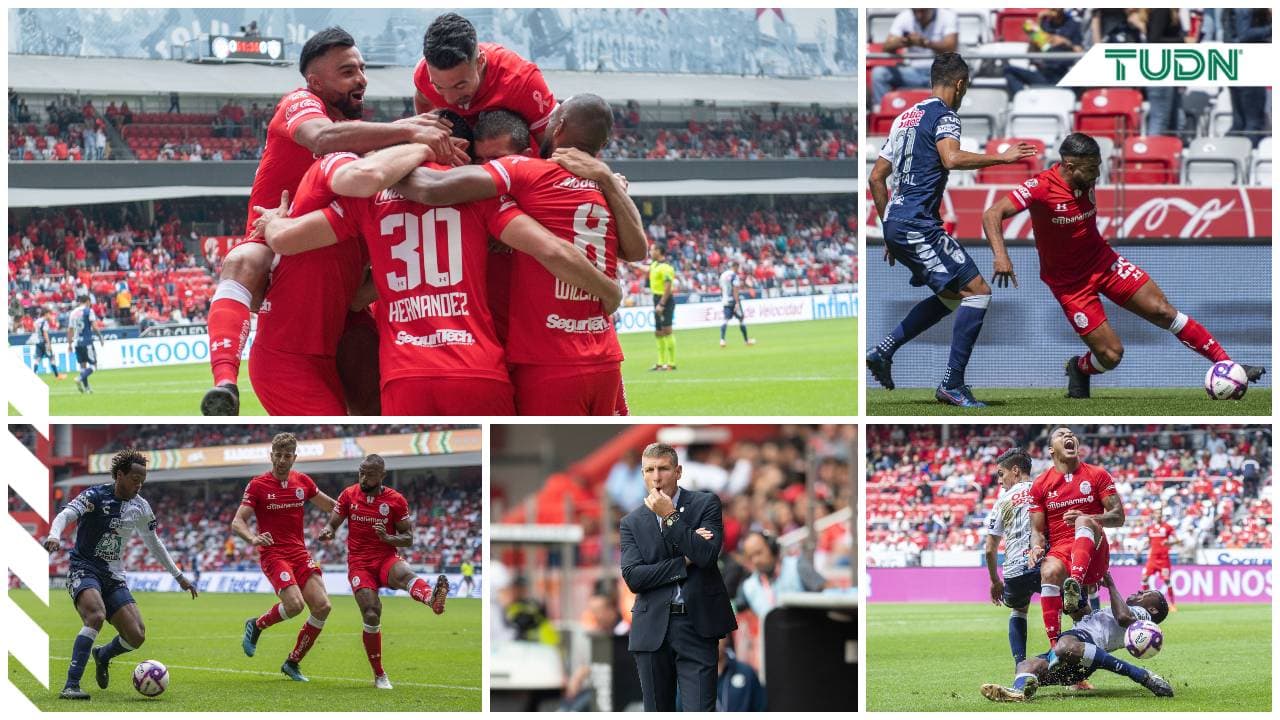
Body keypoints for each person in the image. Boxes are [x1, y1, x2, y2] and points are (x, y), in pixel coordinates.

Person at [257, 139, 623, 416]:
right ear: (459, 152)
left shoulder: (365, 200)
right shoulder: (481, 198)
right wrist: (608, 289)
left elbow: (288, 242)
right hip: (476, 371)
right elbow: (551, 250)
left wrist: (274, 223)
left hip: (404, 377)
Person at [202, 26, 455, 415]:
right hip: (276, 229)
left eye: (362, 68)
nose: (361, 78)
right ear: (315, 82)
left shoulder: (361, 134)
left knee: (375, 403)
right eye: (347, 71)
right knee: (242, 261)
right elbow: (321, 138)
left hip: (341, 269)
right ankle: (224, 383)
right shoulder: (299, 103)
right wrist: (410, 131)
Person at [392, 98, 648, 414]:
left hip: (549, 360)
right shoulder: (597, 184)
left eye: (495, 159)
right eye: (480, 159)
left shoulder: (526, 176)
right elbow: (637, 250)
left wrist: (384, 158)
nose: (485, 168)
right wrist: (610, 181)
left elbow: (433, 188)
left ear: (561, 126)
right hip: (600, 355)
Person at [980, 132, 1265, 399]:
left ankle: (1228, 365)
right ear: (1068, 166)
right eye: (1091, 169)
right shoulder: (1041, 187)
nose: (1097, 174)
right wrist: (1001, 256)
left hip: (1104, 262)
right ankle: (1079, 367)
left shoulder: (1085, 178)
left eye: (1098, 166)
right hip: (1070, 284)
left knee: (1163, 311)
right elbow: (992, 214)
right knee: (1111, 356)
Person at [246, 140, 466, 416]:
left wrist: (274, 224)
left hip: (405, 360)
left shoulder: (368, 202)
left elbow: (283, 239)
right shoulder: (474, 197)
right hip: (467, 359)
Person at [866, 52, 1036, 407]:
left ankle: (883, 350)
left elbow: (876, 178)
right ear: (959, 84)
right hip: (917, 222)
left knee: (949, 297)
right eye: (965, 87)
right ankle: (952, 384)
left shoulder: (903, 117)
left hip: (901, 220)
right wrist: (1003, 158)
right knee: (978, 291)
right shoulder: (945, 115)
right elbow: (952, 159)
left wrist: (888, 229)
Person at [43, 449, 198, 700]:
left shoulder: (141, 506)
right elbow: (66, 515)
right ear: (120, 474)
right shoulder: (94, 495)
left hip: (114, 577)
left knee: (137, 636)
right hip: (85, 568)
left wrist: (178, 576)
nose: (139, 484)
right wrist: (54, 535)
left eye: (143, 480)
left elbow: (154, 543)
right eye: (135, 478)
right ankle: (71, 685)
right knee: (96, 616)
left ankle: (103, 655)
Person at [619, 442, 736, 711]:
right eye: (650, 470)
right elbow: (634, 578)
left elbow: (706, 556)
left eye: (663, 468)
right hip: (651, 628)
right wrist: (684, 560)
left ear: (678, 471)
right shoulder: (631, 522)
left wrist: (670, 516)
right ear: (642, 474)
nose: (657, 477)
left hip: (697, 624)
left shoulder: (706, 503)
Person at [318, 454, 450, 689]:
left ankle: (431, 599)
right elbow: (333, 523)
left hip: (385, 557)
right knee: (371, 613)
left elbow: (408, 538)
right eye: (361, 471)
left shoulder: (395, 501)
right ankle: (379, 674)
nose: (363, 477)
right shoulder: (349, 494)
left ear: (382, 476)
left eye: (369, 473)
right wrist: (328, 531)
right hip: (359, 564)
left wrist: (388, 537)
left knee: (405, 574)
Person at [232, 432, 338, 682]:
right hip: (273, 553)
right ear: (271, 456)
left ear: (294, 458)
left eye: (286, 456)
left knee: (323, 607)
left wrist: (332, 526)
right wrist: (252, 538)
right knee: (295, 605)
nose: (281, 460)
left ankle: (293, 662)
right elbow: (238, 521)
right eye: (277, 455)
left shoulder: (302, 482)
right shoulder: (257, 485)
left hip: (299, 553)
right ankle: (257, 625)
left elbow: (332, 507)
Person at [981, 572, 1173, 702]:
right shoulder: (1131, 611)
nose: (1139, 592)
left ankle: (1141, 675)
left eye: (1145, 593)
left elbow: (1123, 618)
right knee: (1026, 667)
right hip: (1082, 662)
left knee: (1064, 646)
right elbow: (1106, 620)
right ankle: (1018, 692)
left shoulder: (1143, 617)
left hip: (1084, 642)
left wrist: (1111, 584)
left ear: (1153, 608)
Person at [1028, 427, 1123, 648]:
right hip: (1062, 551)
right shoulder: (1041, 484)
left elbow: (1118, 517)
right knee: (1048, 571)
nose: (1069, 436)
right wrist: (1035, 548)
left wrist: (1088, 516)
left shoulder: (1097, 474)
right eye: (1061, 435)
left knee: (1083, 521)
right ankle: (1055, 649)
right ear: (1051, 449)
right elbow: (1037, 531)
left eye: (1071, 434)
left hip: (1094, 552)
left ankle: (1075, 585)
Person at [413, 12, 557, 146]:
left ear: (480, 62)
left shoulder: (523, 82)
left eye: (460, 86)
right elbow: (422, 99)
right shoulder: (423, 75)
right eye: (439, 87)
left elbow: (553, 147)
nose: (450, 99)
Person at [983, 449, 1041, 668]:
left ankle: (1021, 667)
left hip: (1014, 572)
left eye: (1001, 473)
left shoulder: (1002, 501)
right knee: (1076, 609)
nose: (999, 481)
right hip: (1041, 564)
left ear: (1015, 471)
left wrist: (995, 581)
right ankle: (1076, 675)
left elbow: (990, 549)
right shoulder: (1042, 489)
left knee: (1019, 609)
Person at [870, 9, 958, 108]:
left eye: (922, 11)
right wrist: (905, 41)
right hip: (912, 72)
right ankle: (881, 112)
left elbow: (951, 47)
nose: (918, 15)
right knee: (879, 73)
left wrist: (925, 43)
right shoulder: (904, 17)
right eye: (915, 11)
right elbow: (887, 47)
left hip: (940, 73)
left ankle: (949, 115)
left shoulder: (947, 16)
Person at [735, 531, 826, 621]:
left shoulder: (797, 566)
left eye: (759, 553)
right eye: (751, 557)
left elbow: (827, 592)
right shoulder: (748, 587)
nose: (756, 560)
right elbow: (733, 609)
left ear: (772, 548)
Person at [1003, 9, 1085, 96]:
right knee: (1008, 70)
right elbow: (1031, 52)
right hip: (1043, 72)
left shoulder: (1073, 25)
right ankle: (1023, 98)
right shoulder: (1044, 24)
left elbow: (1079, 51)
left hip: (1063, 73)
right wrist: (1037, 26)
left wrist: (1066, 42)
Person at [1140, 509, 1179, 612]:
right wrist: (1141, 548)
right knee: (1144, 578)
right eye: (1156, 514)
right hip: (1152, 558)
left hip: (1164, 559)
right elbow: (1149, 542)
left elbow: (1178, 540)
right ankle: (1146, 603)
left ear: (1161, 516)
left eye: (1160, 514)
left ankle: (1173, 604)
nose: (1158, 516)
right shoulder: (1150, 528)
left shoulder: (1167, 527)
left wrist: (1170, 543)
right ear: (1154, 515)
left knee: (1166, 579)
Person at [716, 633, 766, 711]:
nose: (712, 642)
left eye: (716, 635)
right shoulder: (693, 678)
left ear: (726, 637)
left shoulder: (747, 673)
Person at [648, 244, 677, 371]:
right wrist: (634, 265)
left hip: (665, 300)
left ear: (659, 251)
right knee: (658, 332)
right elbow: (647, 270)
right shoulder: (654, 265)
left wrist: (662, 304)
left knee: (667, 330)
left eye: (652, 249)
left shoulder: (666, 268)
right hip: (656, 299)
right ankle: (660, 362)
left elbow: (668, 288)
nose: (650, 251)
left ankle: (671, 363)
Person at [66, 295, 103, 394]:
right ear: (87, 301)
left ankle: (87, 388)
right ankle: (80, 378)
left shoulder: (73, 313)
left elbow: (70, 330)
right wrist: (100, 337)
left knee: (83, 367)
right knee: (94, 365)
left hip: (77, 343)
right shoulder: (88, 311)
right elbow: (94, 327)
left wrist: (69, 344)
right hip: (87, 342)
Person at [718, 261, 755, 348]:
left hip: (725, 300)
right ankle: (746, 341)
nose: (738, 269)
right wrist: (737, 302)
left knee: (725, 320)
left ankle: (722, 340)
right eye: (738, 267)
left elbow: (721, 288)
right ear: (735, 266)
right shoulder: (734, 276)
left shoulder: (723, 275)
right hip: (733, 301)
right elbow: (735, 289)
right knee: (741, 319)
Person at [33, 308, 64, 378]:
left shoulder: (36, 321)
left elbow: (34, 331)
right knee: (52, 358)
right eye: (49, 314)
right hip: (44, 342)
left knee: (37, 359)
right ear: (46, 314)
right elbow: (45, 333)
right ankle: (57, 375)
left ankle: (34, 374)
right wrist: (48, 343)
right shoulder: (44, 322)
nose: (50, 315)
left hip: (38, 342)